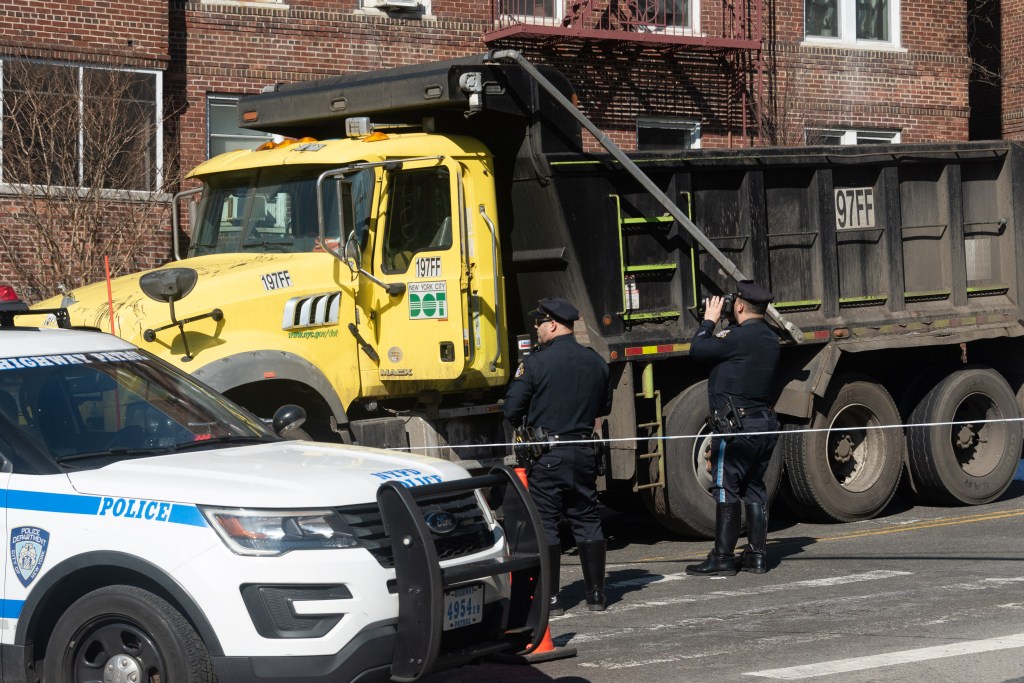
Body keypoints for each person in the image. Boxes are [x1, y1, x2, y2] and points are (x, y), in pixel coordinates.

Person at [503, 297, 613, 613]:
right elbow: (603, 408)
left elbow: (512, 409)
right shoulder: (596, 361)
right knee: (588, 518)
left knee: (546, 523)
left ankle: (550, 599)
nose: (536, 329)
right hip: (584, 451)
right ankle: (596, 596)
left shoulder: (535, 363)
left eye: (539, 323)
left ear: (552, 324)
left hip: (548, 454)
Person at [685, 280, 781, 577]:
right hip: (763, 422)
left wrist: (709, 322)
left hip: (737, 427)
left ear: (739, 306)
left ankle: (723, 557)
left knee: (725, 488)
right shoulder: (769, 337)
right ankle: (757, 556)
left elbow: (698, 350)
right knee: (754, 486)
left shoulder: (738, 337)